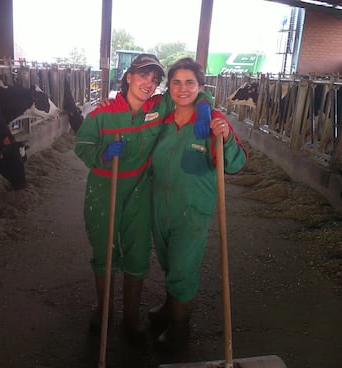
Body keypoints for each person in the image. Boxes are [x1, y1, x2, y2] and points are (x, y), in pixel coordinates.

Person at [74, 53, 213, 344]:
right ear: (128, 77)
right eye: (142, 75)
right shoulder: (102, 114)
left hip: (139, 189)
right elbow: (82, 145)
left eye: (154, 78)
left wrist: (205, 110)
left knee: (137, 254)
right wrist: (101, 155)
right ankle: (104, 311)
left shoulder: (158, 108)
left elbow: (191, 92)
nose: (148, 83)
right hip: (104, 189)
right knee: (105, 251)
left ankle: (131, 318)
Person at [148, 57, 247, 351]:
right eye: (176, 82)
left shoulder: (213, 119)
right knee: (169, 262)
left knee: (183, 268)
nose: (182, 89)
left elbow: (236, 163)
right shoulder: (161, 117)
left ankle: (180, 329)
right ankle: (170, 307)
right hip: (160, 205)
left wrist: (225, 137)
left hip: (192, 209)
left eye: (189, 82)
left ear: (200, 86)